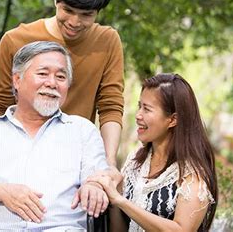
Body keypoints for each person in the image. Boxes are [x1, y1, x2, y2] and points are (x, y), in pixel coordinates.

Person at [0, 41, 112, 231]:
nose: (52, 83)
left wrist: (95, 186)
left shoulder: (82, 131)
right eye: (43, 74)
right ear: (17, 80)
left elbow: (99, 178)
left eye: (61, 77)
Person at [0, 0, 124, 167]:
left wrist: (108, 163)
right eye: (67, 10)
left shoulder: (107, 41)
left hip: (76, 157)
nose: (74, 22)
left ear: (98, 11)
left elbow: (110, 106)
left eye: (86, 15)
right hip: (20, 157)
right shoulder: (15, 40)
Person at [87, 73, 218, 231]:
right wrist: (115, 191)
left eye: (147, 109)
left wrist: (121, 201)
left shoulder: (192, 175)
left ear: (173, 120)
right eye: (139, 106)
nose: (138, 115)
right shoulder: (135, 161)